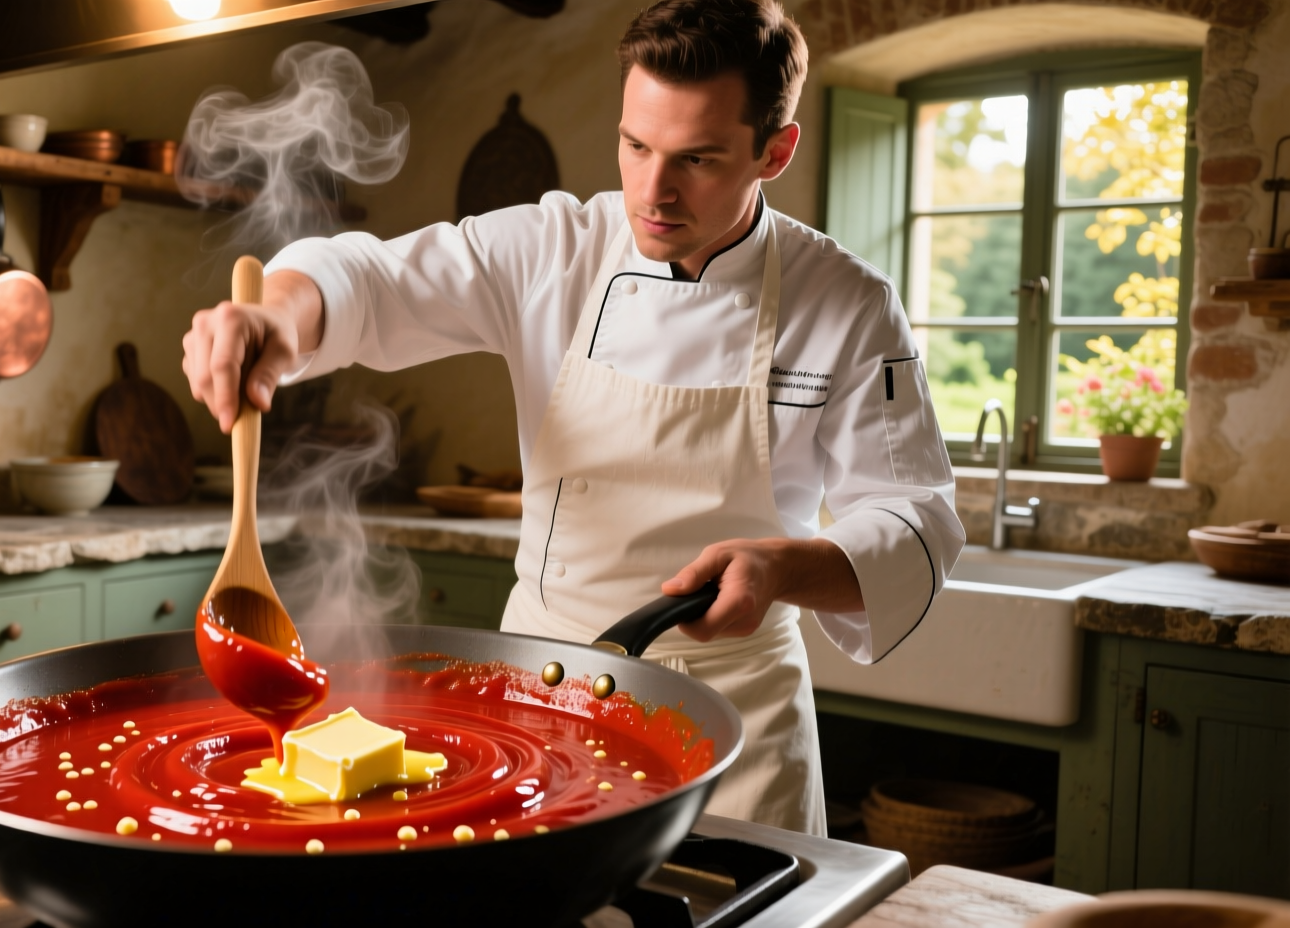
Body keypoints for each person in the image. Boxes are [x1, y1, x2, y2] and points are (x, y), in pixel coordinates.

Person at [181, 0, 964, 836]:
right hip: (542, 700)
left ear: (775, 151)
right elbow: (368, 281)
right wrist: (278, 317)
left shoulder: (847, 304)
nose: (653, 191)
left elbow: (917, 522)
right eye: (635, 146)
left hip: (734, 722)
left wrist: (783, 568)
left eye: (696, 159)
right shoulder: (554, 249)